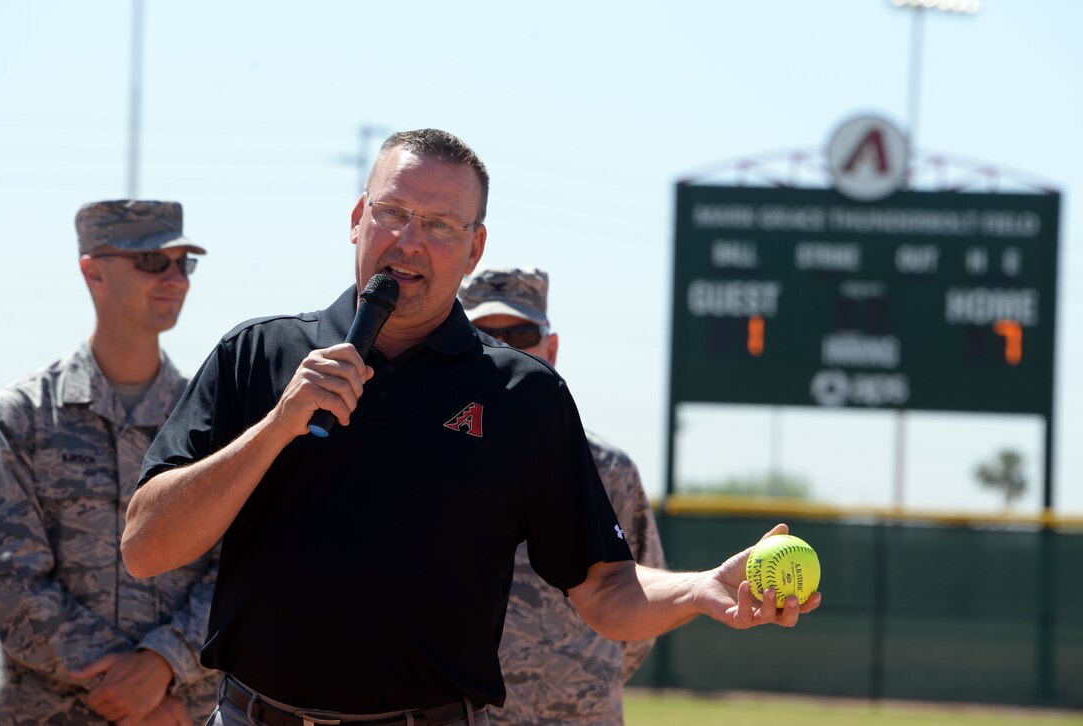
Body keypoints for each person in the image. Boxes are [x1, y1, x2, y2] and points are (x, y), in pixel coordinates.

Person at [121, 129, 820, 726]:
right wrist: (276, 427)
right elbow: (146, 547)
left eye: (440, 224)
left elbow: (605, 590)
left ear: (474, 247)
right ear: (358, 216)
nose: (408, 241)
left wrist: (699, 590)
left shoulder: (522, 395)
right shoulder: (259, 354)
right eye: (392, 213)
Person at [0, 200, 220, 725]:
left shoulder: (213, 421)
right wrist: (132, 686)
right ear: (93, 271)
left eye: (182, 262)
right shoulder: (21, 419)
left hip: (180, 714)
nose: (174, 278)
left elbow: (240, 566)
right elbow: (10, 577)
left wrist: (165, 663)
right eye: (151, 262)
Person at [459, 267, 666, 725]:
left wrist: (579, 679)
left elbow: (641, 605)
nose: (504, 348)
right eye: (482, 334)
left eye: (520, 332)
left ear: (550, 349)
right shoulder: (428, 458)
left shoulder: (609, 468)